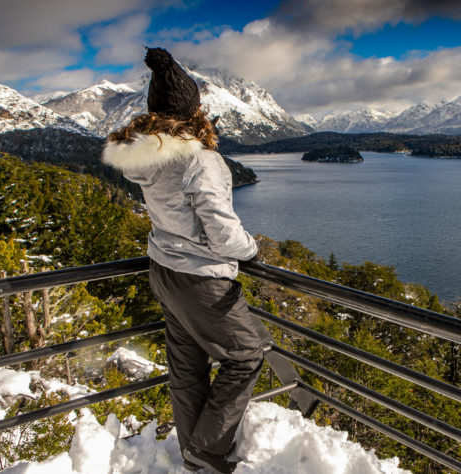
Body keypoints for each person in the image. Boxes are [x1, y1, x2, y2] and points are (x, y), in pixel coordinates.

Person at [102, 47, 263, 473]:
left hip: (165, 271)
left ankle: (195, 455)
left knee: (188, 365)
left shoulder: (148, 159)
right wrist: (253, 250)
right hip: (201, 279)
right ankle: (206, 451)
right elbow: (224, 235)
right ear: (193, 112)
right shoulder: (199, 159)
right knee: (246, 354)